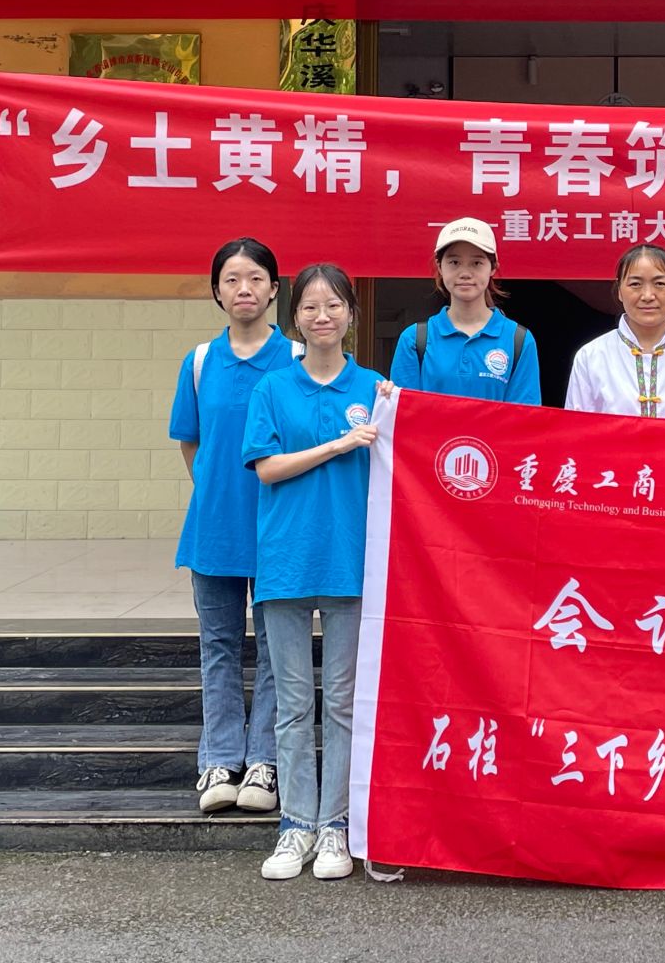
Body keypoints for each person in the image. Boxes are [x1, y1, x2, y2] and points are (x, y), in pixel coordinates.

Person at [243, 263, 384, 882]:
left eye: (333, 305)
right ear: (294, 317)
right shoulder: (272, 388)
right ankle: (295, 825)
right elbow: (267, 468)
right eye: (309, 307)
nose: (321, 316)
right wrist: (338, 445)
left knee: (346, 704)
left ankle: (337, 827)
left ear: (351, 313)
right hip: (286, 560)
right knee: (294, 704)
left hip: (352, 561)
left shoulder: (376, 389)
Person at [169, 238, 298, 816]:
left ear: (274, 289)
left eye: (255, 279)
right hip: (214, 528)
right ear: (216, 291)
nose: (244, 289)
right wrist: (218, 492)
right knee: (218, 647)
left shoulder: (296, 358)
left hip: (278, 528)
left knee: (276, 650)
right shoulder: (199, 362)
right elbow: (191, 444)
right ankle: (219, 759)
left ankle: (265, 761)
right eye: (231, 279)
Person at [563, 244, 665, 420]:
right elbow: (577, 429)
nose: (648, 296)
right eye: (635, 284)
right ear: (619, 291)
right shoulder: (591, 356)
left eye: (660, 284)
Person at [390, 217, 541, 404]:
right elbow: (405, 412)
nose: (465, 273)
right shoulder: (414, 339)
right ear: (440, 266)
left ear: (493, 267)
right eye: (454, 262)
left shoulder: (518, 339)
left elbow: (525, 416)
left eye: (476, 263)